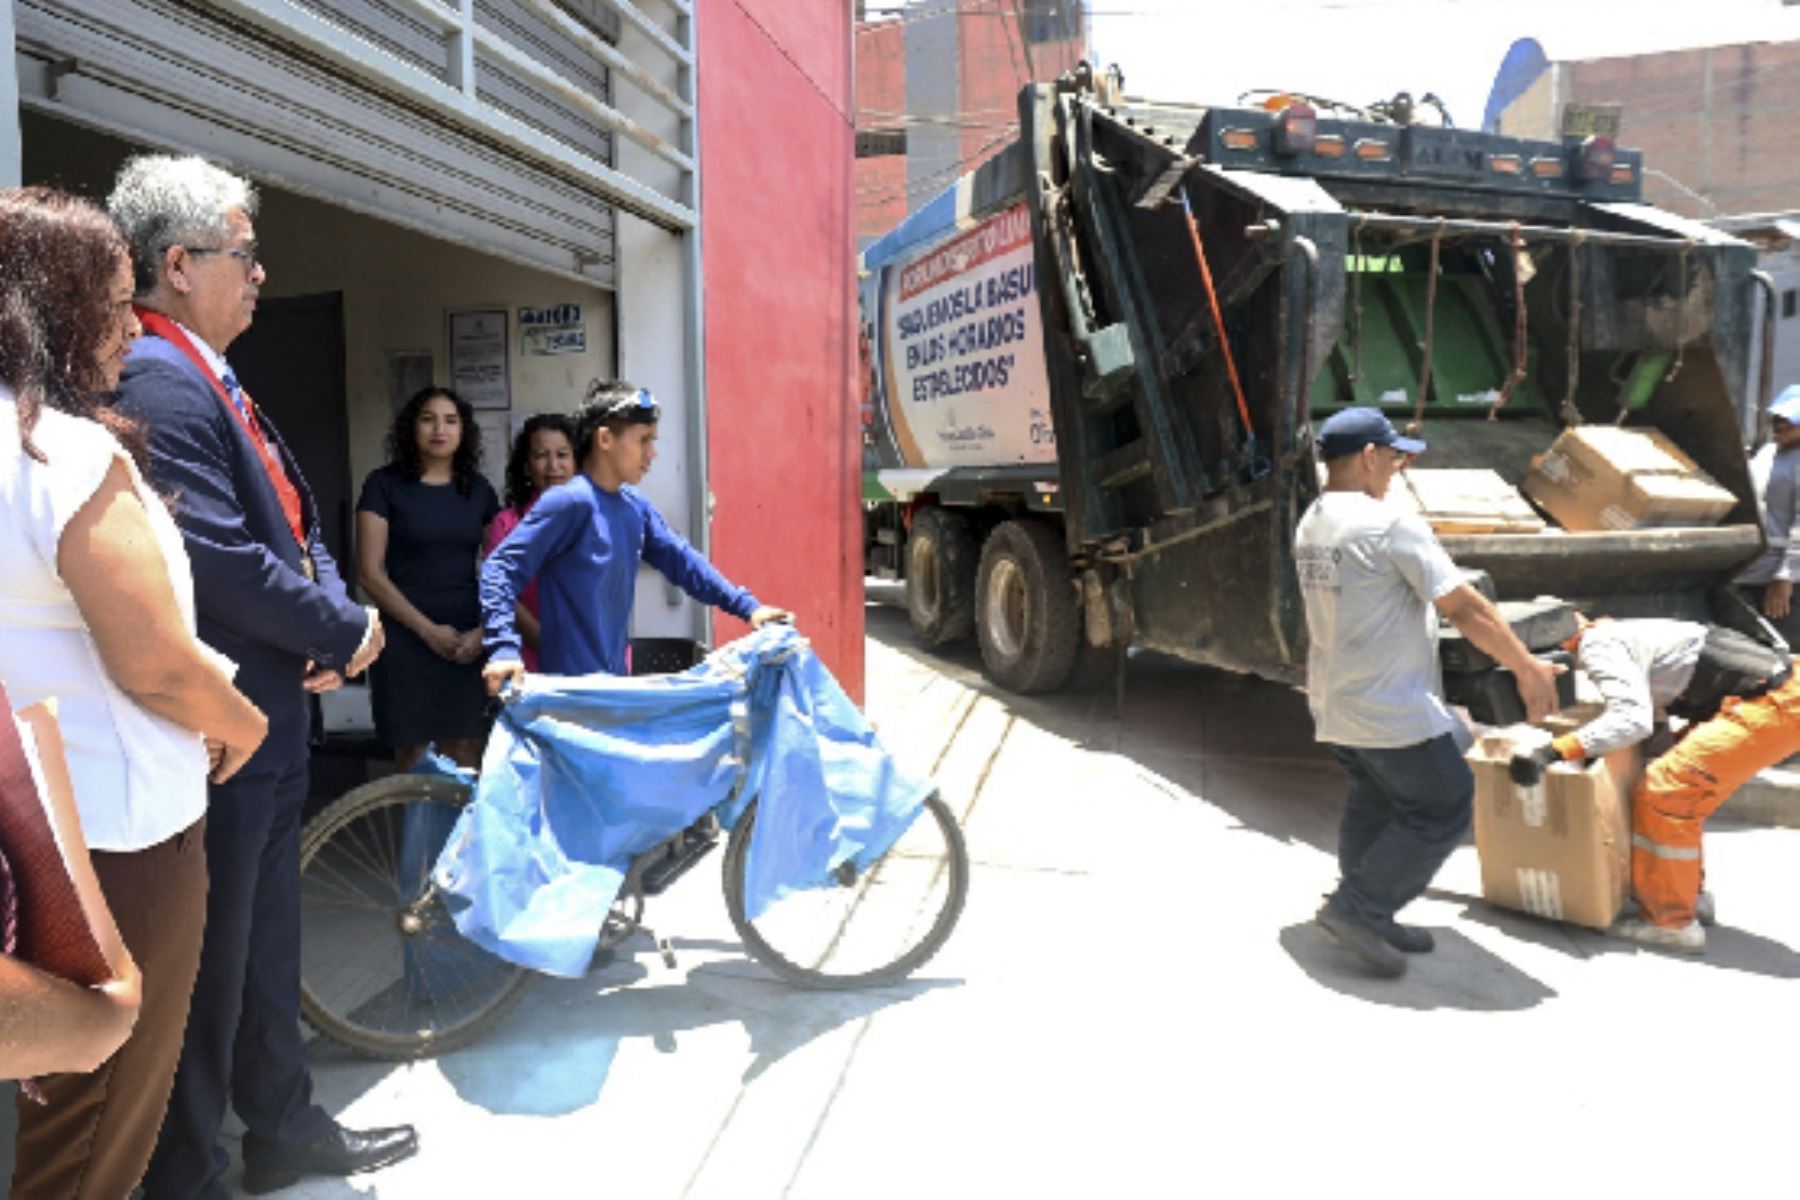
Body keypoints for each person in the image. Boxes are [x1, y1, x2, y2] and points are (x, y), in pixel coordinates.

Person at [105, 154, 416, 1198]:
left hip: (272, 714)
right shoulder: (154, 378)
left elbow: (295, 522)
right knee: (208, 970)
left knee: (263, 952)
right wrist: (341, 625)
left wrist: (333, 620)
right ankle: (186, 1172)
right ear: (180, 264)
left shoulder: (208, 374)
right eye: (245, 255)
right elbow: (217, 559)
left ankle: (287, 1134)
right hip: (222, 727)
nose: (261, 275)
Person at [0, 186, 268, 1198]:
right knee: (99, 1130)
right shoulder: (62, 453)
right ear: (48, 307)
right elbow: (153, 660)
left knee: (60, 1112)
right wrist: (243, 721)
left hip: (32, 826)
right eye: (112, 302)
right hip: (118, 835)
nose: (129, 325)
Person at [1295, 407, 1562, 979]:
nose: (1395, 470)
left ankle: (1370, 904)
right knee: (1442, 800)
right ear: (1368, 457)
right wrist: (1527, 668)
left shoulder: (1313, 519)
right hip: (1388, 708)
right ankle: (1359, 909)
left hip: (1335, 700)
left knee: (1375, 800)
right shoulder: (1388, 524)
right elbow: (1464, 607)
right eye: (1392, 458)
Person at [1508, 617, 1797, 954]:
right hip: (1775, 695)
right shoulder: (1623, 633)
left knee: (1667, 793)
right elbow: (1654, 713)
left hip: (1775, 703)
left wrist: (1552, 752)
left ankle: (1671, 923)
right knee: (1677, 791)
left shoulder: (1598, 645)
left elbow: (1631, 720)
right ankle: (1688, 896)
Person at [481, 379, 789, 692]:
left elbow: (682, 560)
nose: (652, 453)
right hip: (567, 698)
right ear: (605, 439)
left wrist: (749, 607)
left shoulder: (634, 505)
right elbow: (498, 570)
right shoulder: (569, 502)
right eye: (643, 440)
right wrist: (503, 648)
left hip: (616, 687)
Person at [356, 386, 501, 769]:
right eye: (428, 419)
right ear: (410, 428)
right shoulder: (383, 485)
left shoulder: (479, 490)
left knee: (467, 751)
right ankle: (417, 833)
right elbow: (369, 573)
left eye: (451, 420)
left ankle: (463, 834)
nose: (440, 429)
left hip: (466, 637)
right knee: (412, 755)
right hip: (405, 637)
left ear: (463, 430)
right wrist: (426, 630)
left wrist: (483, 632)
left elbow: (502, 572)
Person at [484, 413, 578, 671]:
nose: (553, 466)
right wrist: (545, 642)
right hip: (529, 658)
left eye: (562, 454)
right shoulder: (507, 523)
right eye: (540, 455)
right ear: (526, 466)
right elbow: (502, 593)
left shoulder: (598, 516)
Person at [1734, 385, 1800, 647]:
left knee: (1787, 651)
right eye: (1777, 419)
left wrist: (1786, 577)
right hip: (1753, 570)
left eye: (1789, 420)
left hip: (1785, 579)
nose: (1780, 425)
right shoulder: (1767, 454)